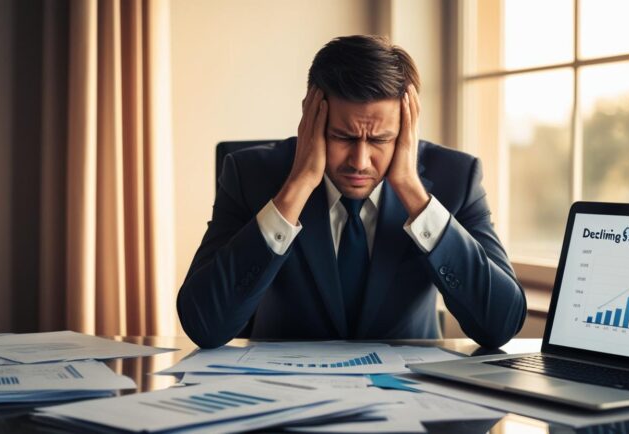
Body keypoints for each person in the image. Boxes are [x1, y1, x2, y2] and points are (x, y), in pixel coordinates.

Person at [177, 35, 526, 349]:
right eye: (343, 137)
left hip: (410, 400)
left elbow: (500, 325)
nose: (360, 161)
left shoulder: (456, 178)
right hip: (287, 395)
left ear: (406, 129)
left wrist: (413, 193)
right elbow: (204, 325)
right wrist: (296, 188)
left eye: (379, 139)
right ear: (311, 119)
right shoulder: (249, 174)